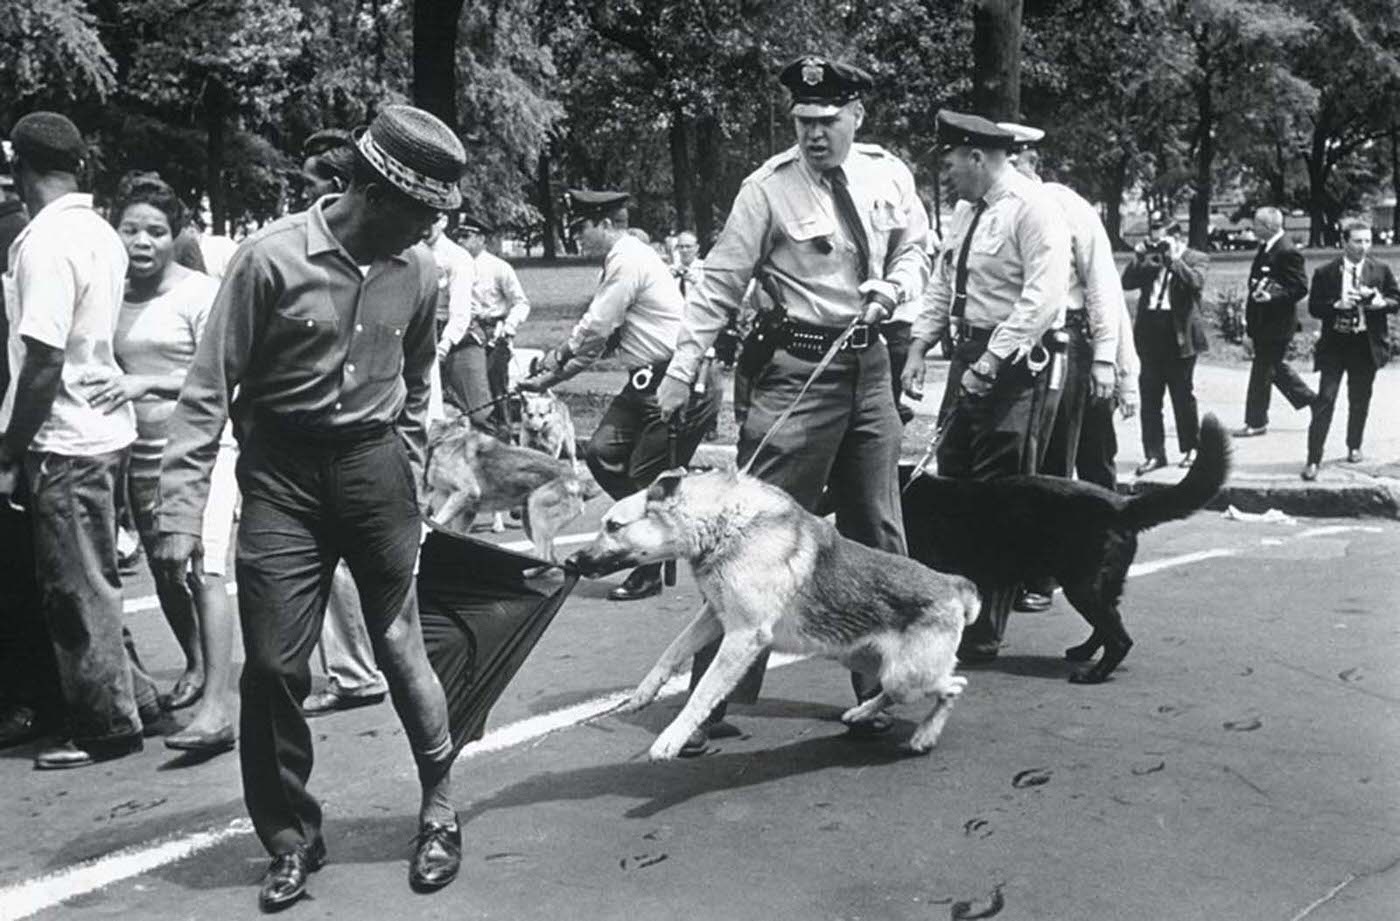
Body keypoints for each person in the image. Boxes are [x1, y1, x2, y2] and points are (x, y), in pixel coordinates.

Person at [155, 105, 467, 910]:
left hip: (372, 470)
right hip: (283, 477)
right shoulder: (268, 260)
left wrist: (407, 460)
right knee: (271, 665)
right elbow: (205, 391)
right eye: (422, 210)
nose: (432, 227)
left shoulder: (419, 270)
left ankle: (439, 806)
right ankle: (291, 837)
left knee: (400, 644)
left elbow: (418, 372)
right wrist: (180, 510)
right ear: (371, 190)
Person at [657, 55, 932, 746]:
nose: (815, 134)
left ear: (857, 116)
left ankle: (880, 694)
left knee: (877, 534)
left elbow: (919, 248)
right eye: (804, 120)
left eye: (828, 120)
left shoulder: (888, 173)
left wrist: (892, 290)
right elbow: (718, 282)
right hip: (798, 372)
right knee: (749, 537)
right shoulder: (767, 189)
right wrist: (683, 366)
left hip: (869, 371)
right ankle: (706, 707)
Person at [0, 112, 160, 769]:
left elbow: (41, 359)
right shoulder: (99, 231)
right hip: (103, 429)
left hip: (65, 433)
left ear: (20, 166)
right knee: (96, 572)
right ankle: (137, 695)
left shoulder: (44, 243)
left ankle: (105, 724)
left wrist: (11, 447)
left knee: (75, 585)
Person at [901, 110, 1070, 662]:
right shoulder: (966, 211)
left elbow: (1042, 298)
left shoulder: (1034, 207)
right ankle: (956, 610)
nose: (947, 174)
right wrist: (920, 345)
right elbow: (944, 281)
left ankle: (985, 630)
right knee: (956, 490)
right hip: (968, 354)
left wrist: (992, 362)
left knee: (1000, 499)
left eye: (951, 163)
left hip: (1014, 365)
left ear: (978, 157)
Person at [83, 174, 240, 754]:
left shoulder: (200, 293)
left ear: (176, 236)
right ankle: (197, 667)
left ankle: (221, 705)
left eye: (155, 230)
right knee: (163, 567)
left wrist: (144, 381)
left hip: (202, 449)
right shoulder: (109, 293)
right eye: (130, 229)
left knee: (203, 567)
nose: (141, 241)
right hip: (138, 451)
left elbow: (225, 378)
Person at [522, 189, 721, 601]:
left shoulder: (629, 259)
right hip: (645, 381)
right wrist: (549, 381)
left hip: (679, 379)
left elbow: (596, 326)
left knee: (644, 475)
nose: (576, 237)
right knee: (600, 453)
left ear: (605, 224)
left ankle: (647, 562)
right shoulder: (619, 261)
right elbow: (600, 343)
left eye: (581, 228)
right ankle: (655, 532)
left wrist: (556, 356)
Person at [999, 121, 1122, 612]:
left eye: (1013, 161)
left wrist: (1108, 359)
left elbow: (1101, 284)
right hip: (1005, 343)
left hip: (1060, 344)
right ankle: (1012, 567)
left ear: (1029, 160)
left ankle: (1045, 574)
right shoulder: (988, 211)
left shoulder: (1066, 206)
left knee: (1054, 462)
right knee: (1012, 464)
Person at [290, 128, 391, 719]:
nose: (303, 197)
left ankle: (355, 669)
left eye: (309, 185)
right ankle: (356, 664)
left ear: (336, 186)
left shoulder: (388, 260)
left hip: (354, 433)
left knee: (339, 559)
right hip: (343, 432)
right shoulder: (294, 251)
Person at [1302, 219, 1400, 480]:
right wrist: (1337, 305)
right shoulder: (1326, 272)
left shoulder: (1380, 269)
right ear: (1344, 242)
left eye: (1368, 240)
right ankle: (1313, 458)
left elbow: (1396, 299)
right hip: (1335, 345)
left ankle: (1354, 445)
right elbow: (1314, 308)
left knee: (1360, 399)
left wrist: (1380, 302)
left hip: (1364, 344)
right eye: (1357, 241)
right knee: (1325, 400)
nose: (1363, 246)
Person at [1121, 219, 1209, 475]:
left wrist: (1173, 260)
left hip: (1179, 332)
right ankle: (1154, 453)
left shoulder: (1196, 258)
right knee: (1149, 396)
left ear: (1177, 238)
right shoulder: (1151, 258)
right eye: (1154, 238)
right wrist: (1140, 257)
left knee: (1182, 394)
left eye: (1163, 240)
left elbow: (1196, 283)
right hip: (1150, 329)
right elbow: (1127, 283)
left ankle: (1192, 448)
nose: (1159, 245)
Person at [1238, 206, 1315, 437]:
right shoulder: (1267, 247)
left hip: (1277, 323)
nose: (1253, 228)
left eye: (1257, 224)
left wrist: (1273, 296)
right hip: (1263, 322)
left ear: (1269, 227)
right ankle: (1315, 402)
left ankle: (1256, 421)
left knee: (1263, 370)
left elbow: (1300, 287)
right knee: (1272, 369)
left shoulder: (1286, 251)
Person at [456, 213, 530, 431]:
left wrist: (509, 327)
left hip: (493, 333)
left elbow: (521, 303)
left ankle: (503, 434)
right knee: (465, 390)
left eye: (466, 236)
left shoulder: (499, 268)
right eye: (458, 237)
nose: (460, 242)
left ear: (481, 239)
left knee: (495, 388)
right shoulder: (457, 265)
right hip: (465, 332)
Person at [426, 213, 482, 424]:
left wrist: (444, 346)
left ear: (442, 222)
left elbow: (460, 311)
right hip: (422, 332)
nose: (425, 227)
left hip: (458, 335)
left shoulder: (457, 257)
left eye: (431, 220)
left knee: (478, 411)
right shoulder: (408, 251)